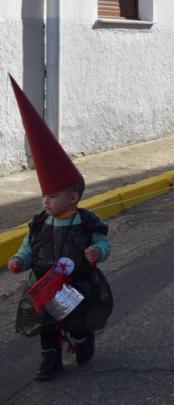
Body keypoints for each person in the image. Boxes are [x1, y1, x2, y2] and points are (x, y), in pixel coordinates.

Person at [7, 77, 113, 380]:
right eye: (44, 195)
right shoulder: (40, 223)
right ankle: (49, 361)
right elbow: (30, 247)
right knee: (47, 325)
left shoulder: (86, 220)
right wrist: (20, 260)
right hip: (45, 284)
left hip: (77, 282)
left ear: (73, 197)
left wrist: (96, 252)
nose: (46, 201)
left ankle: (82, 341)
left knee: (76, 321)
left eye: (52, 195)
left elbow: (103, 243)